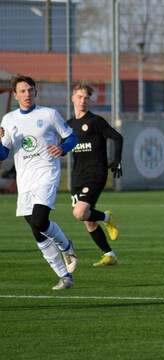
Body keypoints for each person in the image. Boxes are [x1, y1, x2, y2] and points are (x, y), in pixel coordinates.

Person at [0, 74, 79, 290]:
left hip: (46, 174)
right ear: (15, 95)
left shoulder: (49, 114)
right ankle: (65, 277)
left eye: (30, 90)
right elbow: (3, 153)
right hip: (24, 181)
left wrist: (62, 148)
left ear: (36, 92)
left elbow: (72, 138)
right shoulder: (9, 119)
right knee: (37, 231)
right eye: (22, 91)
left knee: (40, 221)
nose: (27, 94)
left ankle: (65, 245)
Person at [68, 84, 123, 266]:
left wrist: (116, 160)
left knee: (80, 212)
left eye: (86, 98)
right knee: (88, 220)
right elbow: (58, 147)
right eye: (79, 97)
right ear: (73, 99)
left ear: (89, 101)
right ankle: (109, 255)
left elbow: (117, 137)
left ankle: (108, 218)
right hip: (77, 177)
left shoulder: (95, 121)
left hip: (96, 174)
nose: (82, 101)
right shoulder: (68, 125)